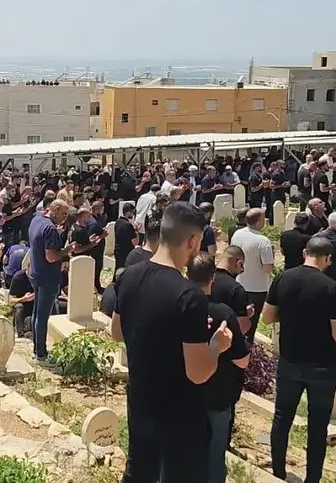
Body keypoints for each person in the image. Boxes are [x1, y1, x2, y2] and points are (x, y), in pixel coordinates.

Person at [110, 202, 233, 482]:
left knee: (139, 473)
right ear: (193, 241)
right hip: (179, 414)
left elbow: (117, 331)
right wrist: (217, 345)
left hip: (141, 400)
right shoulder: (190, 297)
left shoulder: (129, 276)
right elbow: (198, 372)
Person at [262, 237, 336, 483]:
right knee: (318, 425)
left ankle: (278, 473)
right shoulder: (331, 288)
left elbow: (267, 318)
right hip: (322, 366)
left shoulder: (284, 278)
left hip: (290, 361)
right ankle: (312, 478)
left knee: (282, 419)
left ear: (304, 253)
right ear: (328, 259)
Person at [187, 254, 250, 483]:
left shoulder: (178, 306)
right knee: (215, 454)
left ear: (187, 275)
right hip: (218, 394)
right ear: (212, 278)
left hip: (183, 393)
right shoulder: (224, 313)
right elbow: (242, 361)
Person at [27, 199, 71, 363]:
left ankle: (35, 348)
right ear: (55, 209)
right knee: (43, 316)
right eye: (63, 214)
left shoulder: (36, 219)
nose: (65, 218)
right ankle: (41, 354)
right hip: (47, 277)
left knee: (36, 313)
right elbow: (51, 257)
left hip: (36, 273)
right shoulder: (50, 229)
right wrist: (66, 250)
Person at [232, 208, 274, 342]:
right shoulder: (263, 241)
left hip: (239, 282)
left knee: (239, 320)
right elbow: (268, 268)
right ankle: (248, 348)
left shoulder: (237, 234)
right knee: (252, 323)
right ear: (259, 220)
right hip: (257, 287)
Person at [113, 202, 138, 270]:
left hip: (118, 251)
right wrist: (136, 230)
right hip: (126, 253)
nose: (133, 215)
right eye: (132, 212)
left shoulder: (118, 221)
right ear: (128, 212)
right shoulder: (128, 225)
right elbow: (135, 242)